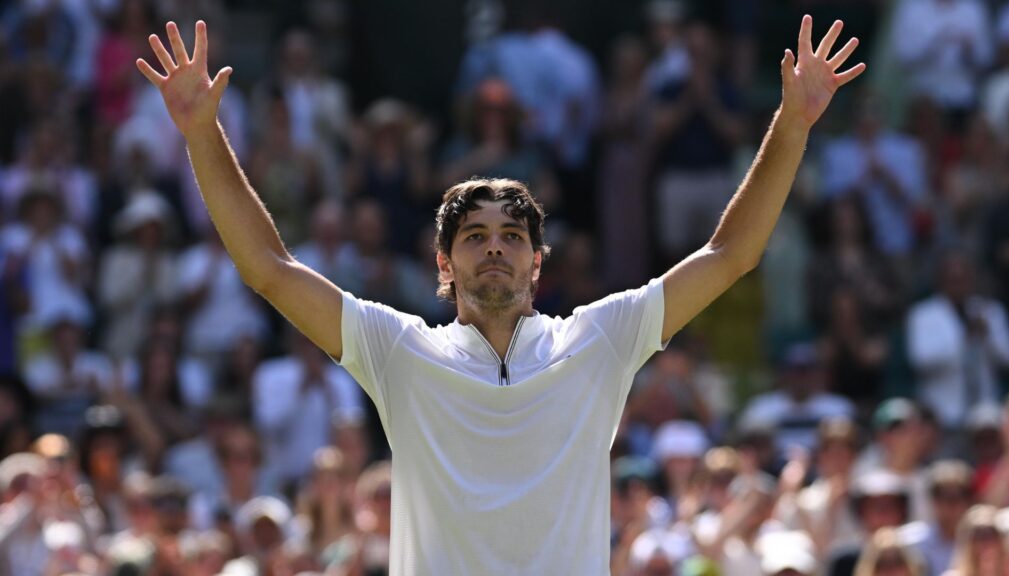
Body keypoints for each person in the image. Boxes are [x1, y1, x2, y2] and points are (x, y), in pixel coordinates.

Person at [136, 16, 865, 573]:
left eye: (513, 236)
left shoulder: (601, 338)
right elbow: (267, 267)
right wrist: (202, 133)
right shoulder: (399, 350)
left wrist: (791, 124)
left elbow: (730, 255)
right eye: (475, 235)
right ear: (443, 263)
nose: (495, 247)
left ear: (538, 265)